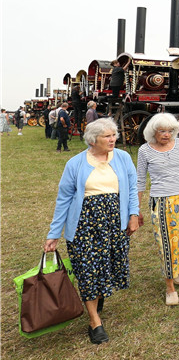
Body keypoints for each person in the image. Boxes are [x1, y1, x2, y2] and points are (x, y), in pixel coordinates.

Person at [44, 118, 140, 345]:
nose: (112, 139)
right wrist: (54, 233)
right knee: (87, 269)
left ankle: (97, 296)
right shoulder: (75, 163)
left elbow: (132, 188)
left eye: (113, 135)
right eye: (107, 136)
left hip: (114, 223)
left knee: (106, 265)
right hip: (84, 225)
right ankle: (94, 321)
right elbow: (64, 199)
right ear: (92, 139)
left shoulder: (124, 158)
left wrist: (133, 215)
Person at [136, 113, 179, 306]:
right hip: (161, 202)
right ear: (153, 132)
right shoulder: (145, 151)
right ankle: (170, 287)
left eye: (170, 131)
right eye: (162, 131)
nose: (167, 135)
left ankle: (177, 268)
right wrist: (137, 208)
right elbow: (140, 181)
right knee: (165, 243)